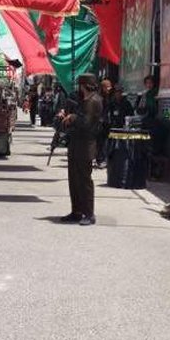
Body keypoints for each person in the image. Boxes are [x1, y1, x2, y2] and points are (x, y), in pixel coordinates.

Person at [60, 74, 104, 226]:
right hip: (76, 144)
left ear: (85, 85)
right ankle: (77, 211)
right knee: (74, 180)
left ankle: (89, 214)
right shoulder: (84, 99)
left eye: (80, 85)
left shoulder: (94, 100)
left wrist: (72, 118)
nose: (78, 88)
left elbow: (86, 123)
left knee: (84, 181)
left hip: (86, 146)